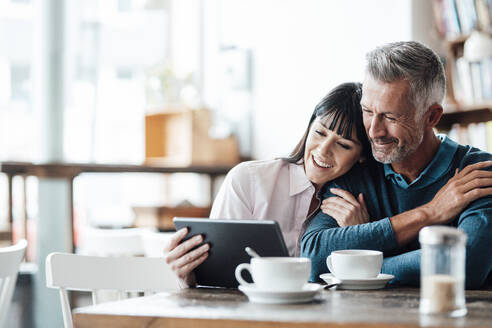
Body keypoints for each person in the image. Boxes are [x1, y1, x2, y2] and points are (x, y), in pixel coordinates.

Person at [301, 41, 492, 289]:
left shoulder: (477, 173)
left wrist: (359, 257)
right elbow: (312, 257)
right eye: (368, 111)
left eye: (390, 117)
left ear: (432, 116)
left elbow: (464, 265)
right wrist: (430, 213)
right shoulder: (356, 167)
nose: (374, 131)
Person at [163, 82, 372, 287]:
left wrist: (358, 236)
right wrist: (187, 277)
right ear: (309, 127)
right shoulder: (249, 180)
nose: (324, 150)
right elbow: (214, 277)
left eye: (343, 145)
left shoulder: (362, 202)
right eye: (320, 133)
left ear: (362, 155)